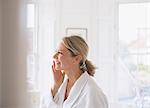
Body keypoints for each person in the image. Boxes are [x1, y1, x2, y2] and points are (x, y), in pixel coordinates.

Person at [48, 35, 108, 108]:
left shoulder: (93, 93)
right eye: (56, 52)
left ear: (77, 59)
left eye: (60, 53)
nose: (54, 56)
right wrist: (56, 85)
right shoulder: (61, 87)